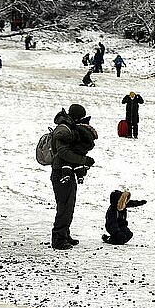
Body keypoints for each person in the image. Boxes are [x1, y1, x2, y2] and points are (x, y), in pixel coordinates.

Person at [50, 104, 95, 250]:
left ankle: (65, 234)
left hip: (67, 172)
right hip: (60, 172)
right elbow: (63, 153)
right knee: (64, 206)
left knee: (68, 205)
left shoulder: (70, 127)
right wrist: (83, 161)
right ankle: (58, 239)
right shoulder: (64, 129)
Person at [60, 116, 97, 185]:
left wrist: (63, 137)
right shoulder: (89, 133)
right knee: (78, 164)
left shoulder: (78, 130)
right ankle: (80, 176)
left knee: (67, 162)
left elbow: (71, 138)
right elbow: (92, 144)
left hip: (75, 149)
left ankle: (66, 175)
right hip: (83, 151)